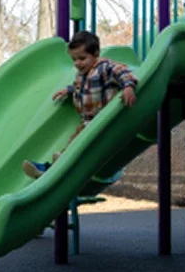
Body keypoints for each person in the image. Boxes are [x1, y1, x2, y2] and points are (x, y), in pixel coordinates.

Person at [22, 31, 138, 179]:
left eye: (82, 58)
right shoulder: (81, 75)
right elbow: (80, 88)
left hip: (102, 120)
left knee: (77, 146)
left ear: (95, 53)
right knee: (73, 143)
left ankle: (57, 165)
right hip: (87, 122)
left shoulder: (104, 67)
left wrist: (128, 86)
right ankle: (51, 168)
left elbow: (122, 72)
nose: (77, 63)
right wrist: (69, 90)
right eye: (74, 59)